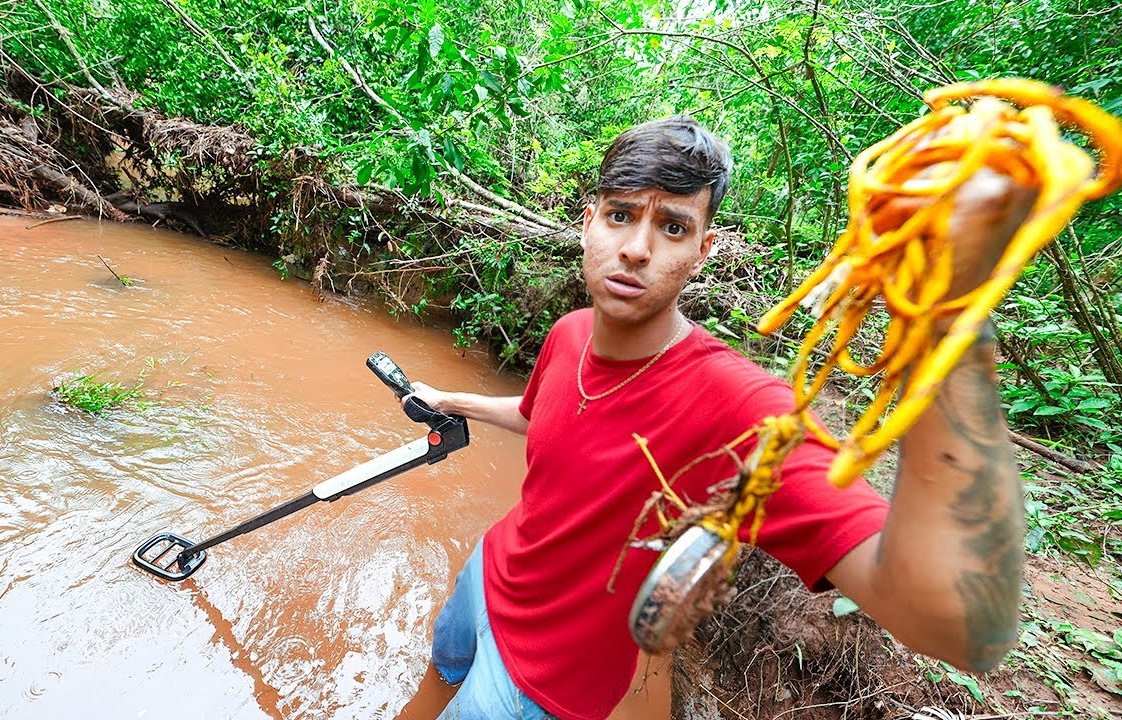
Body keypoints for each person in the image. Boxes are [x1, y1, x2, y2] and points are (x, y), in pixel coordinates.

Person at [403, 116, 1027, 720]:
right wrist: (452, 402)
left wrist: (953, 314)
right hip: (490, 573)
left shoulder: (743, 409)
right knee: (441, 667)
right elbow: (539, 415)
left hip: (538, 684)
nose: (637, 249)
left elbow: (964, 628)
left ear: (703, 250)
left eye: (672, 227)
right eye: (621, 215)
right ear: (589, 222)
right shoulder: (570, 333)